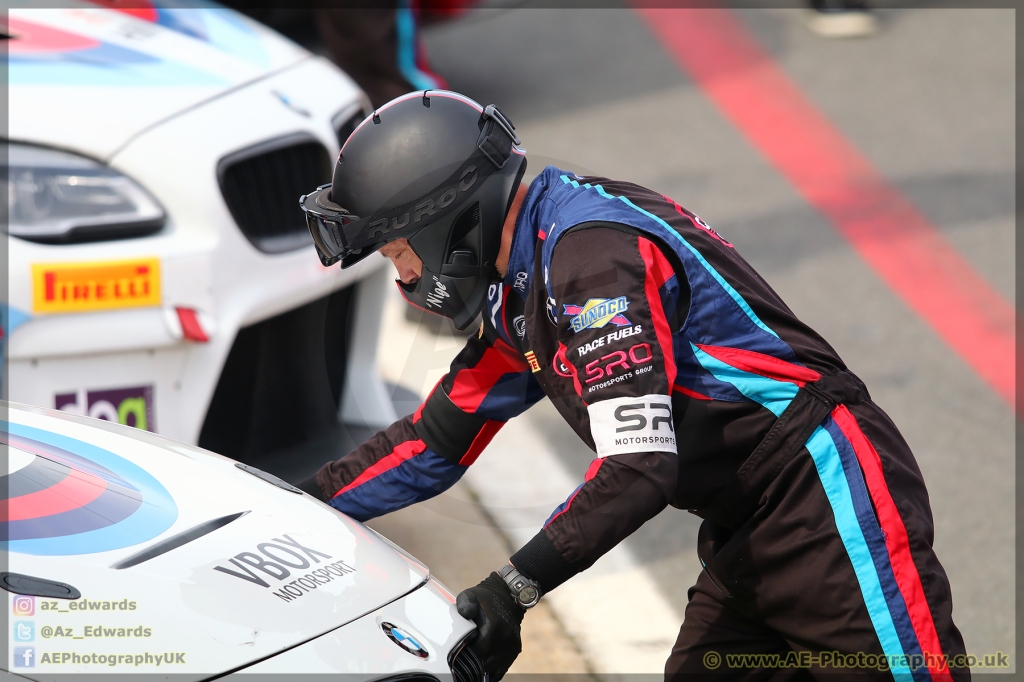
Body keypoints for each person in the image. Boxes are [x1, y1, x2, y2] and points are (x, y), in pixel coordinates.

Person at [298, 91, 968, 681]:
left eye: (397, 252)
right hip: (749, 523)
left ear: (444, 224)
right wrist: (298, 506)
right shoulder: (526, 274)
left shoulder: (590, 263)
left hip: (825, 495)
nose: (404, 278)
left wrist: (513, 590)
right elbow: (432, 444)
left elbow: (639, 467)